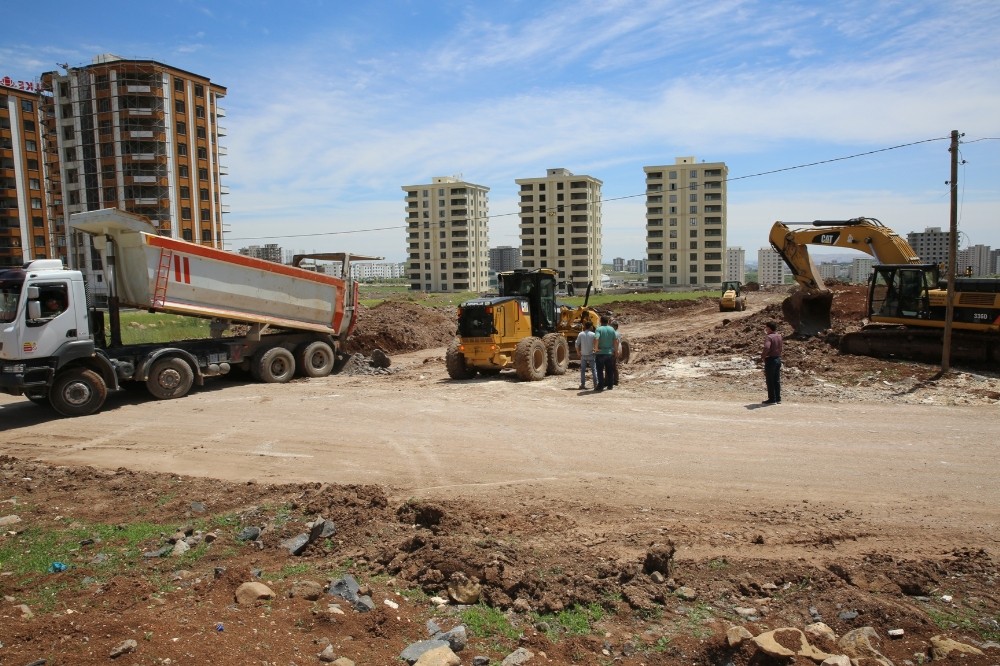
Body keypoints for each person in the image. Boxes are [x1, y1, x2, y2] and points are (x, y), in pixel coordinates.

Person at [594, 315, 618, 392]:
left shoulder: (598, 329)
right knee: (609, 370)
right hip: (609, 353)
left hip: (600, 353)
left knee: (600, 370)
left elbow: (596, 338)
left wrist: (596, 348)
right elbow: (615, 341)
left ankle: (600, 385)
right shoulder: (612, 329)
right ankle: (610, 385)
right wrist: (616, 351)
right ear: (608, 322)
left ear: (600, 321)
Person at [761, 321, 783, 404]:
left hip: (770, 360)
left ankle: (772, 399)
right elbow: (781, 348)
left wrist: (763, 356)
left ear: (769, 328)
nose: (765, 329)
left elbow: (767, 347)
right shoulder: (779, 336)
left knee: (770, 380)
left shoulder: (769, 337)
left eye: (766, 328)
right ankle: (778, 398)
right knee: (776, 380)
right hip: (778, 359)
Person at [575, 319, 598, 390]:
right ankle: (595, 384)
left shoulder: (580, 334)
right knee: (594, 370)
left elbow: (576, 344)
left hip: (583, 355)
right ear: (591, 327)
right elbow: (596, 344)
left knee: (582, 370)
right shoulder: (593, 334)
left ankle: (582, 384)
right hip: (591, 354)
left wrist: (578, 352)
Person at [610, 320, 622, 386]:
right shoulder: (618, 333)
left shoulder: (614, 333)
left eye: (611, 326)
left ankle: (610, 381)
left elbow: (616, 343)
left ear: (614, 326)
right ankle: (616, 380)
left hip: (612, 351)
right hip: (615, 351)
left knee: (610, 366)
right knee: (614, 366)